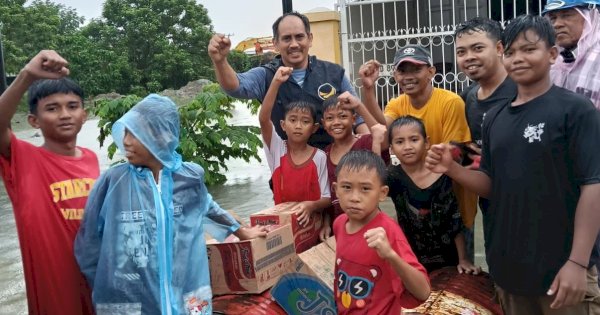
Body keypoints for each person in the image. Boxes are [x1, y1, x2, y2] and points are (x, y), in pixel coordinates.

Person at [426, 15, 600, 314]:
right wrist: (453, 168)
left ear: (552, 54)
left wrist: (577, 263)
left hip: (561, 271)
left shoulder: (575, 110)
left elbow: (593, 186)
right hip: (510, 271)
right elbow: (492, 184)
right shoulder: (495, 117)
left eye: (529, 49)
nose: (518, 59)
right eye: (512, 52)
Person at [74, 94, 267, 314]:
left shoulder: (189, 177)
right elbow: (88, 240)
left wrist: (243, 233)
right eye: (125, 132)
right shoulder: (113, 181)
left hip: (185, 290)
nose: (125, 141)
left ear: (162, 136)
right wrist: (105, 284)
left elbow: (208, 207)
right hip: (133, 299)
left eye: (134, 133)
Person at [360, 45, 478, 262]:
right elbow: (383, 135)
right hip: (416, 217)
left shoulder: (450, 103)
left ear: (431, 72)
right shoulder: (397, 103)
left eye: (416, 69)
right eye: (402, 71)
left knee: (458, 279)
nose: (408, 77)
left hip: (453, 209)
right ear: (395, 75)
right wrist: (368, 91)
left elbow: (457, 154)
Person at [0, 50, 96, 314]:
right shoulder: (23, 159)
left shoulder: (92, 160)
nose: (65, 114)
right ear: (34, 121)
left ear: (84, 115)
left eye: (72, 106)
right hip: (56, 298)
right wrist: (27, 76)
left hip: (99, 290)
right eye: (52, 108)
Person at [208, 11, 368, 150]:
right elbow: (236, 87)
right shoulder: (267, 75)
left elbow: (358, 119)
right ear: (275, 43)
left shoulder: (334, 73)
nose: (294, 44)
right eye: (286, 39)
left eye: (299, 37)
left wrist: (367, 150)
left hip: (334, 167)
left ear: (310, 39)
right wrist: (220, 61)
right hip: (289, 171)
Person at [332, 150, 430, 314]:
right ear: (336, 189)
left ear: (382, 193)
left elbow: (423, 291)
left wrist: (391, 255)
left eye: (365, 189)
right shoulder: (339, 224)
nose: (354, 197)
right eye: (347, 187)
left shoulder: (387, 232)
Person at [454, 17, 518, 254]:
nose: (469, 57)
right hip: (492, 211)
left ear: (499, 48)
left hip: (531, 210)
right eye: (461, 51)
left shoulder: (522, 91)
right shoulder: (467, 98)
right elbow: (471, 154)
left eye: (478, 48)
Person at [387, 116, 480, 274]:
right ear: (391, 148)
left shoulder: (443, 174)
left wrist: (463, 259)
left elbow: (454, 220)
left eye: (414, 139)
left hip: (448, 259)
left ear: (426, 142)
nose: (407, 146)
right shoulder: (391, 177)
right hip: (410, 259)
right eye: (400, 142)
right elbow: (370, 191)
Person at [258, 66, 330, 227]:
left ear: (314, 128)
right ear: (283, 125)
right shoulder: (277, 149)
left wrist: (310, 206)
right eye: (293, 120)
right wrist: (276, 82)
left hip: (311, 227)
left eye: (305, 121)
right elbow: (264, 119)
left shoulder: (319, 156)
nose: (298, 126)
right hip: (281, 225)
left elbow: (326, 197)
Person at [319, 91, 389, 240]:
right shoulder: (324, 154)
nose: (336, 122)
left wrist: (358, 105)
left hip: (368, 221)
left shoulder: (364, 143)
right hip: (337, 225)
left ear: (354, 119)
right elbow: (326, 193)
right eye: (330, 118)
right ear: (324, 124)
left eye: (343, 116)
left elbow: (381, 137)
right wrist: (326, 223)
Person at [543, 0, 600, 109]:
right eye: (552, 18)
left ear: (591, 17)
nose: (557, 24)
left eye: (567, 15)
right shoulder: (549, 59)